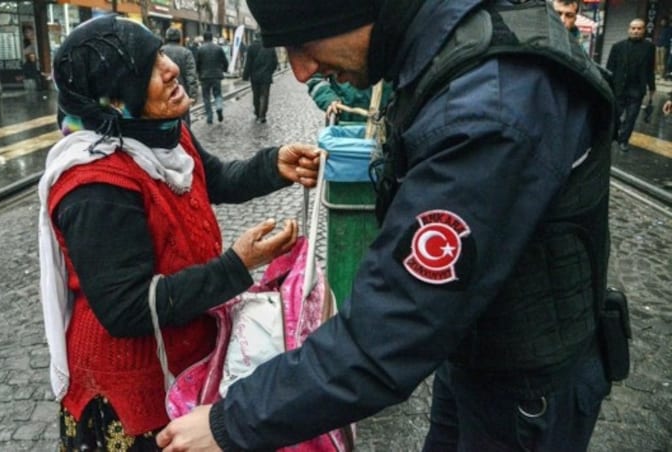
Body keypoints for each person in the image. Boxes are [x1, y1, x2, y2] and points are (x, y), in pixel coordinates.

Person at [157, 1, 617, 451]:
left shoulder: (487, 110)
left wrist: (230, 422)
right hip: (476, 355)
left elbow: (395, 325)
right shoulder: (447, 54)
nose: (300, 72)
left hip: (519, 394)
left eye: (304, 43)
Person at [37, 14, 321, 450]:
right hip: (132, 394)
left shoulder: (163, 134)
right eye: (147, 68)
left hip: (186, 361)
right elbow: (127, 308)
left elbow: (216, 178)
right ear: (114, 100)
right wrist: (236, 266)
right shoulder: (96, 186)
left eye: (160, 55)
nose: (170, 67)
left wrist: (272, 165)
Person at [607, 18, 656, 151]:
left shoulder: (650, 48)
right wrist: (608, 85)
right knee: (614, 115)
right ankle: (612, 137)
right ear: (629, 29)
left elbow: (650, 69)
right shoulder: (617, 46)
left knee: (631, 118)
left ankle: (624, 141)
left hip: (637, 90)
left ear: (644, 30)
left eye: (639, 28)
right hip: (619, 88)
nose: (636, 31)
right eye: (633, 28)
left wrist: (652, 88)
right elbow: (609, 68)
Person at [306, 73, 392, 123]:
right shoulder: (332, 44)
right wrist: (329, 99)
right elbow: (315, 79)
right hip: (345, 122)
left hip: (387, 122)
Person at [161, 27, 199, 125]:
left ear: (166, 38)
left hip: (163, 94)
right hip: (181, 94)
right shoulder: (186, 52)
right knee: (184, 124)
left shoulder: (160, 52)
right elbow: (191, 75)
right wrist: (193, 95)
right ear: (180, 38)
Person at [242, 35, 278, 123]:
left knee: (256, 95)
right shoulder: (270, 47)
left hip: (255, 77)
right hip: (266, 76)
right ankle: (262, 115)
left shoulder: (251, 47)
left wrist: (245, 76)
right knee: (264, 96)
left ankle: (257, 112)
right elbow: (275, 62)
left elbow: (248, 63)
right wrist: (270, 71)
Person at [195, 31, 228, 124]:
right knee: (217, 94)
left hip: (204, 76)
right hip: (217, 75)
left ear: (204, 38)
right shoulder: (218, 48)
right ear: (212, 37)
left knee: (206, 96)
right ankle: (219, 107)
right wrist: (224, 70)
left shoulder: (200, 49)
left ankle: (209, 116)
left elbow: (197, 63)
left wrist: (198, 73)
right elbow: (225, 61)